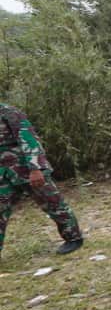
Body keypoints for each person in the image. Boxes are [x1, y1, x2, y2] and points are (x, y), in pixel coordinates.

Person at [0, 102, 83, 261]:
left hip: (26, 168)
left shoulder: (8, 112)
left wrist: (36, 168)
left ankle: (73, 237)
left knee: (52, 202)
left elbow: (28, 138)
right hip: (3, 174)